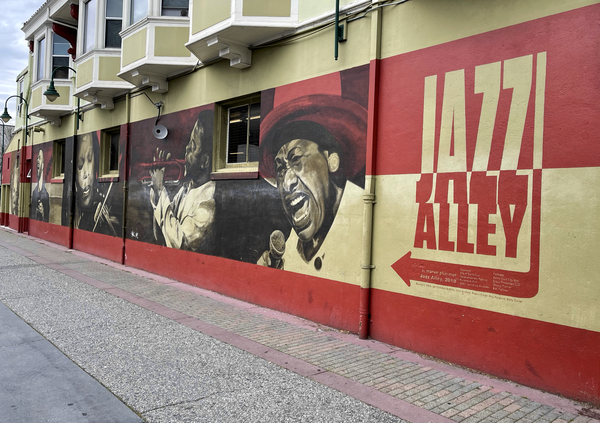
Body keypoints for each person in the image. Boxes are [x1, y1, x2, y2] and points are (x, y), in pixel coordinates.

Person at [258, 94, 367, 284]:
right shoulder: (291, 248)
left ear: (331, 161)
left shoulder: (363, 224)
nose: (286, 182)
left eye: (296, 159)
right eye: (280, 169)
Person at [149, 110, 216, 254]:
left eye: (192, 147)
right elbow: (163, 224)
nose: (186, 149)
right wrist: (156, 190)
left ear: (205, 161)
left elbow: (177, 243)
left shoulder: (207, 206)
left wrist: (161, 190)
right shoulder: (188, 188)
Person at [75, 132, 118, 235]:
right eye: (80, 165)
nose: (87, 174)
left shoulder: (104, 200)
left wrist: (110, 223)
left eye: (90, 160)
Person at [31, 149, 49, 222]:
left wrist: (42, 213)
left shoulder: (46, 195)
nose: (37, 160)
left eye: (40, 158)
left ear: (43, 164)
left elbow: (47, 219)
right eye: (37, 158)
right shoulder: (34, 193)